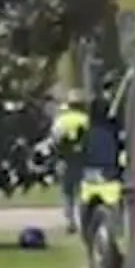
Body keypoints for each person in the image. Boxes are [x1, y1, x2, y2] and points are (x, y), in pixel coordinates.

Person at [48, 91, 90, 233]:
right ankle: (84, 221)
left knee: (67, 193)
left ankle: (70, 222)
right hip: (83, 161)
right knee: (82, 193)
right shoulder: (86, 120)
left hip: (64, 160)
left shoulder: (61, 121)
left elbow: (54, 140)